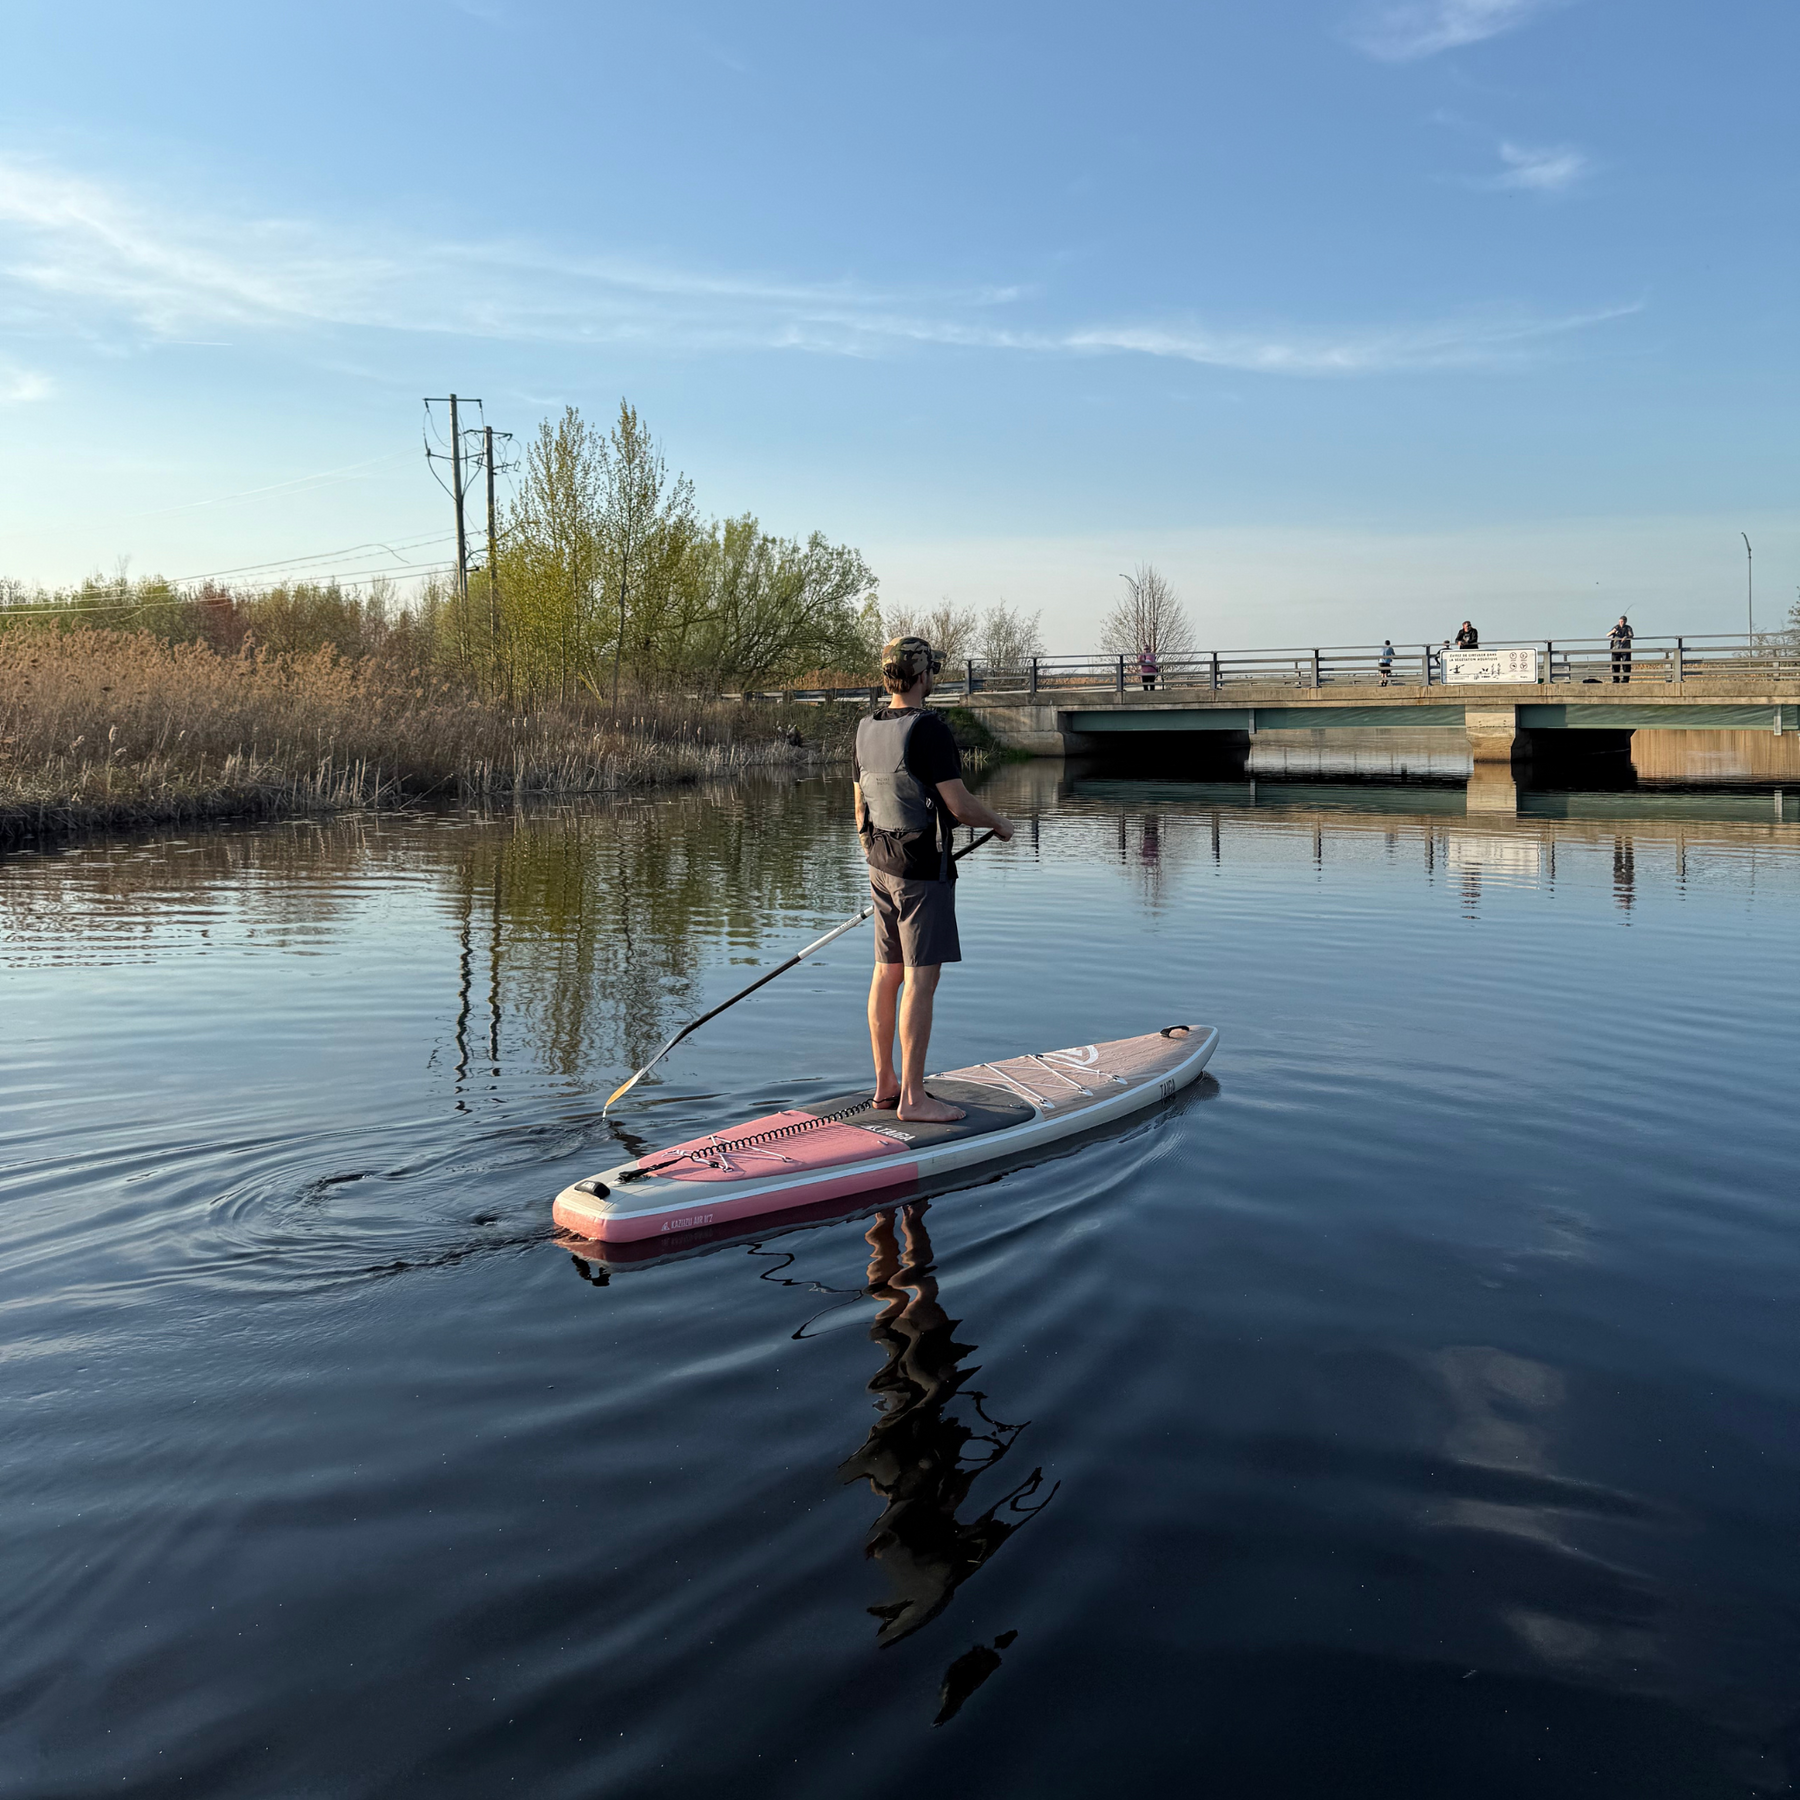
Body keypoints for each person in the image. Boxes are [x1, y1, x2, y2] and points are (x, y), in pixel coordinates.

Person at [854, 636, 1015, 1123]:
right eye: (933, 671)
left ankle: (886, 1084)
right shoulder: (930, 729)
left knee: (887, 973)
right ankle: (913, 1099)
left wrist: (875, 854)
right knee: (921, 981)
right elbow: (960, 806)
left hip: (880, 865)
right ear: (923, 675)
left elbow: (860, 809)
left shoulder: (865, 727)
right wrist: (999, 823)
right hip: (923, 873)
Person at [1609, 614, 1634, 684]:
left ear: (1625, 622)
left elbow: (1631, 635)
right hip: (1615, 649)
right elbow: (1607, 635)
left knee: (1626, 665)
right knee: (1615, 665)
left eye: (1622, 621)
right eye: (1620, 621)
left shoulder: (1628, 628)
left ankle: (1625, 679)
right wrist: (1613, 631)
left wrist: (1626, 637)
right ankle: (1615, 679)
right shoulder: (1616, 627)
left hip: (1625, 649)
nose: (1621, 623)